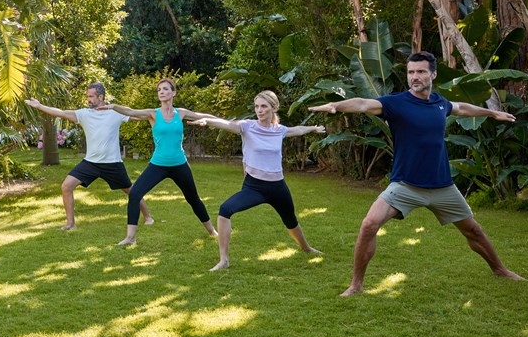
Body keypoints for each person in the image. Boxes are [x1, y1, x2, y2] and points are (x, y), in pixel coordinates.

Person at [308, 51, 525, 296]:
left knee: (473, 230)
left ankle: (500, 269)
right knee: (369, 224)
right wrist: (337, 105)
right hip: (406, 186)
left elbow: (461, 108)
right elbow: (362, 103)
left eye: (421, 71)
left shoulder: (439, 103)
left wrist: (491, 113)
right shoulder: (396, 103)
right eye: (411, 72)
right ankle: (356, 285)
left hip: (442, 186)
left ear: (433, 74)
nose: (415, 77)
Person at [190, 91, 325, 271]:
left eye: (263, 106)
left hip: (278, 187)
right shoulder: (247, 126)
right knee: (224, 210)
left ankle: (306, 248)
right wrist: (208, 121)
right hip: (254, 187)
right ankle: (224, 260)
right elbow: (228, 124)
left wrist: (312, 128)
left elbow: (297, 130)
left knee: (290, 220)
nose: (259, 110)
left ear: (273, 108)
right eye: (257, 106)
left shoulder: (279, 130)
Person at [101, 77, 218, 246]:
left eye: (165, 89)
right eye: (159, 90)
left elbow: (203, 115)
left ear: (173, 92)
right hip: (158, 165)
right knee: (134, 194)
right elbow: (131, 111)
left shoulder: (181, 113)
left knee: (193, 198)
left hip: (179, 165)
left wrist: (208, 121)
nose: (161, 92)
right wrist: (114, 107)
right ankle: (130, 237)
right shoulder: (153, 114)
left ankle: (211, 230)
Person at [25, 83, 153, 230]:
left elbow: (139, 115)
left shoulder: (115, 112)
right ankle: (70, 224)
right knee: (66, 186)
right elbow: (61, 112)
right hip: (91, 163)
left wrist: (157, 115)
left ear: (101, 97)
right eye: (87, 96)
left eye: (91, 96)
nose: (88, 99)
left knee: (132, 191)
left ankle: (148, 217)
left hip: (112, 164)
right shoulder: (84, 114)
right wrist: (40, 106)